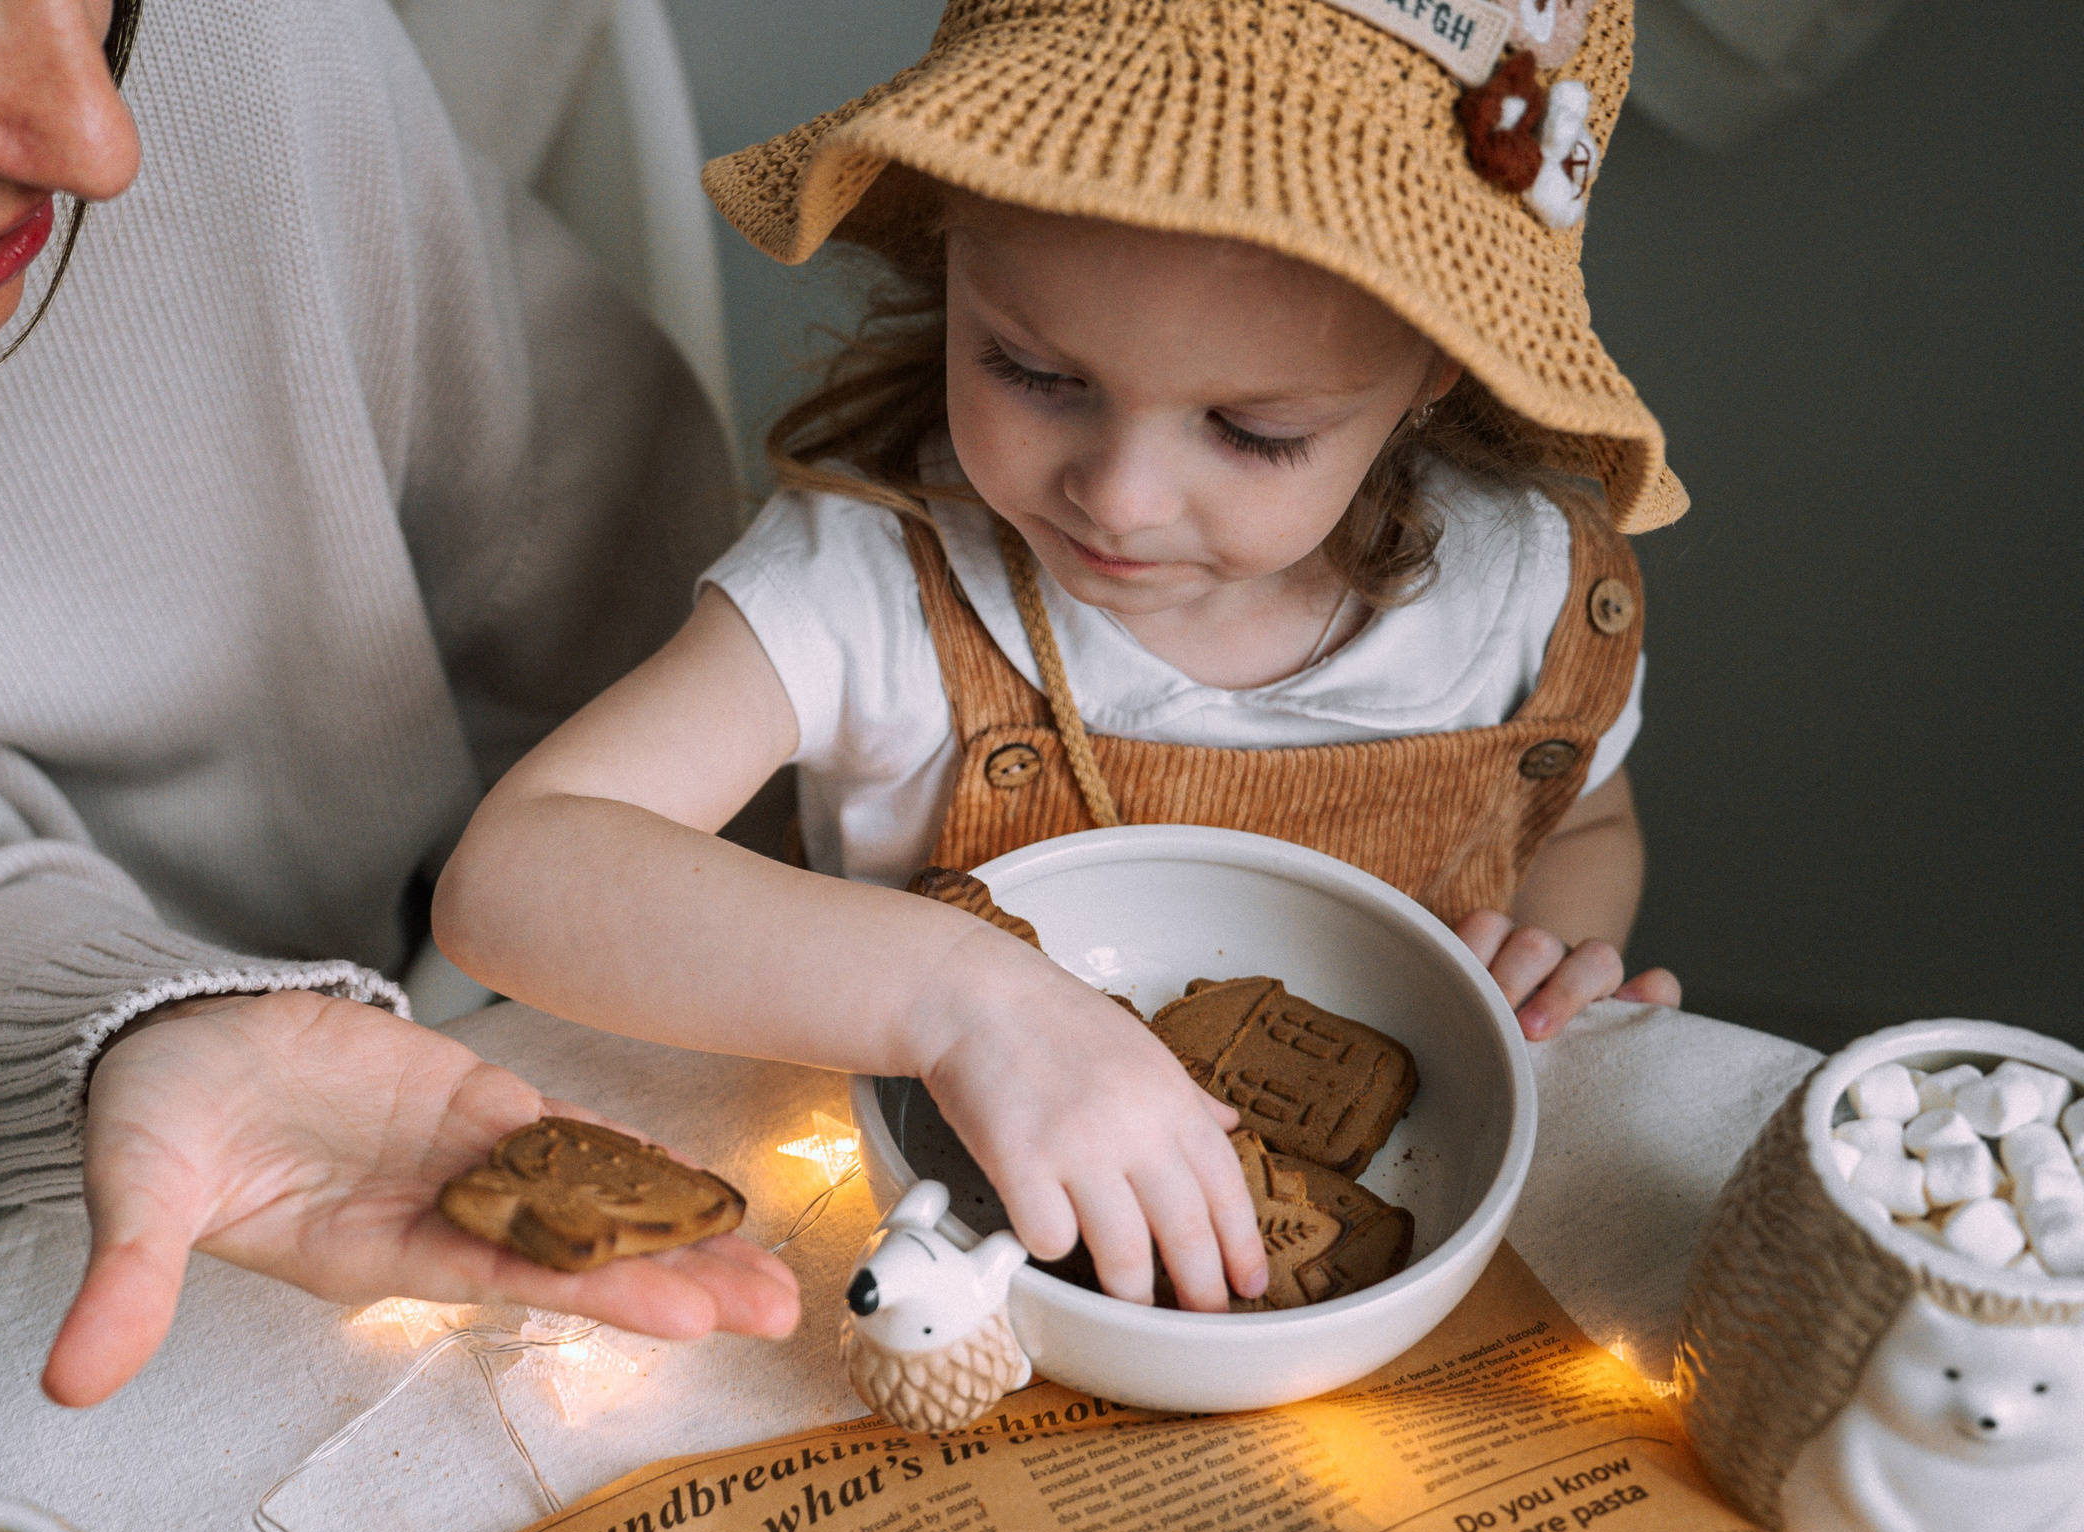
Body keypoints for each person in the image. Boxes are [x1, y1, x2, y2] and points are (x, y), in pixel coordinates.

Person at [0, 0, 797, 1444]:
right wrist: (119, 1035)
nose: (97, 142)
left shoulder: (225, 44)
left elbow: (587, 566)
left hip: (444, 1044)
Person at [435, 0, 1686, 1315]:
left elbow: (1587, 828)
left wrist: (1544, 966)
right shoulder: (869, 581)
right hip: (912, 1275)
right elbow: (513, 877)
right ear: (954, 243)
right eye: (1031, 370)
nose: (1122, 496)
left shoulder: (1532, 607)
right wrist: (966, 1003)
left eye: (1252, 433)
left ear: (1440, 366)